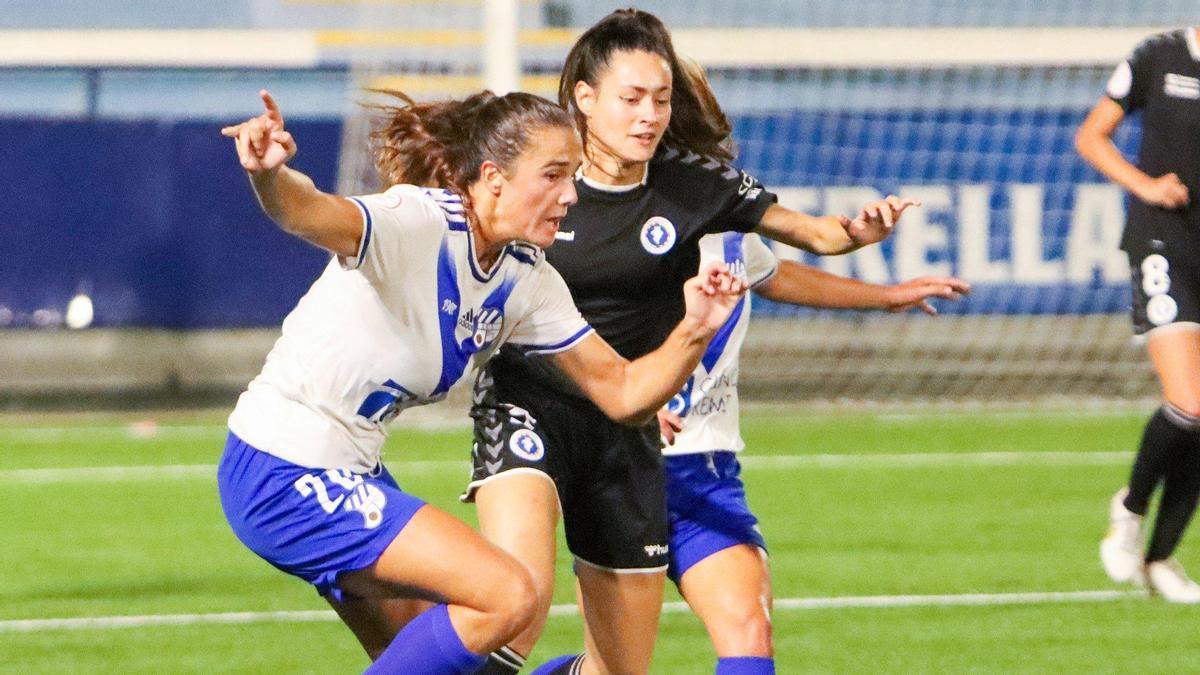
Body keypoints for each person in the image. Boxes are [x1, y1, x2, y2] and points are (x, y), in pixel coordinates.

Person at [215, 88, 749, 674]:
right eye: (552, 175)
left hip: (349, 471)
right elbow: (308, 212)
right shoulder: (418, 222)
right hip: (282, 466)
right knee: (508, 595)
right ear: (493, 177)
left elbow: (622, 393)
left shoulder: (525, 278)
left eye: (573, 176)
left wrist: (694, 329)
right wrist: (271, 175)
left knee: (460, 658)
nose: (571, 195)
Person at [462, 9, 920, 675]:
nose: (649, 114)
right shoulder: (543, 177)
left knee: (619, 669)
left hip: (630, 426)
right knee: (516, 606)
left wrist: (859, 232)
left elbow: (815, 234)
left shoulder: (692, 186)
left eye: (661, 98)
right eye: (631, 98)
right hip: (531, 408)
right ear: (585, 99)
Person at [655, 229, 969, 671]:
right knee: (614, 665)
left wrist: (886, 296)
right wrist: (626, 400)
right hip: (625, 470)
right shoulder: (595, 223)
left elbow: (774, 275)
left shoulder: (724, 222)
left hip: (706, 475)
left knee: (750, 633)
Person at [1076, 26, 1200, 603]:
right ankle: (1128, 508)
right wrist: (1145, 186)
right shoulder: (1161, 55)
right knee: (1190, 404)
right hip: (1163, 244)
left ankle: (1160, 559)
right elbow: (1093, 137)